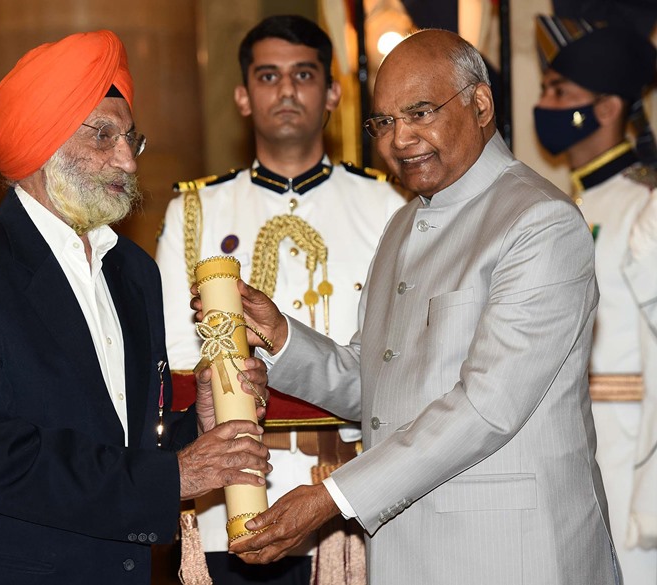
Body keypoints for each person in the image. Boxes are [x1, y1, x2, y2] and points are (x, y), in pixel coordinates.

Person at [210, 29, 620, 584]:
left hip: (511, 553)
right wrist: (283, 336)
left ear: (480, 105)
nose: (400, 139)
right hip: (407, 551)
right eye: (384, 122)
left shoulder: (538, 221)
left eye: (420, 112)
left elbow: (486, 408)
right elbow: (375, 386)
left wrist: (332, 497)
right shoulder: (403, 224)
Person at [0, 30, 271, 585]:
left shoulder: (134, 275)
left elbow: (127, 442)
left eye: (130, 139)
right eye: (104, 135)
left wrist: (196, 428)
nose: (129, 161)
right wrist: (173, 477)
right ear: (43, 141)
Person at [156, 14, 406, 584]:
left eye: (303, 75)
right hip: (231, 495)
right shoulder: (194, 211)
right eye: (268, 77)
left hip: (351, 494)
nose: (287, 90)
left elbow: (397, 361)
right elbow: (171, 356)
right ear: (243, 97)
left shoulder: (388, 206)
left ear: (332, 93)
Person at [533, 15, 657, 584]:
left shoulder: (646, 212)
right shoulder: (565, 210)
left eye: (559, 92)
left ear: (607, 109)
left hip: (633, 455)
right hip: (568, 452)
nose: (544, 104)